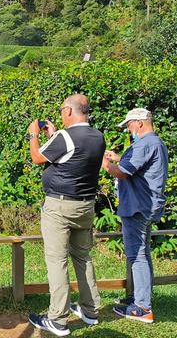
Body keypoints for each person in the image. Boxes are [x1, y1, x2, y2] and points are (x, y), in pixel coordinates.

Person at [27, 94, 105, 337]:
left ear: (69, 111)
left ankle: (57, 319)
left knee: (57, 260)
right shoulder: (98, 136)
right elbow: (73, 157)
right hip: (85, 206)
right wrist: (54, 136)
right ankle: (90, 310)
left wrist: (34, 135)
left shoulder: (66, 137)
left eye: (62, 109)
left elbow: (37, 157)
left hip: (60, 207)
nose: (60, 113)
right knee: (82, 257)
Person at [102, 107, 168, 324]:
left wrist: (105, 164)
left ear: (139, 123)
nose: (128, 130)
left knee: (137, 256)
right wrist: (120, 157)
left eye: (129, 125)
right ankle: (140, 298)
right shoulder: (156, 143)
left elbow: (122, 172)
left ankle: (142, 307)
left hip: (137, 207)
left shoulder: (144, 143)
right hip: (148, 207)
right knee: (144, 254)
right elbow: (142, 168)